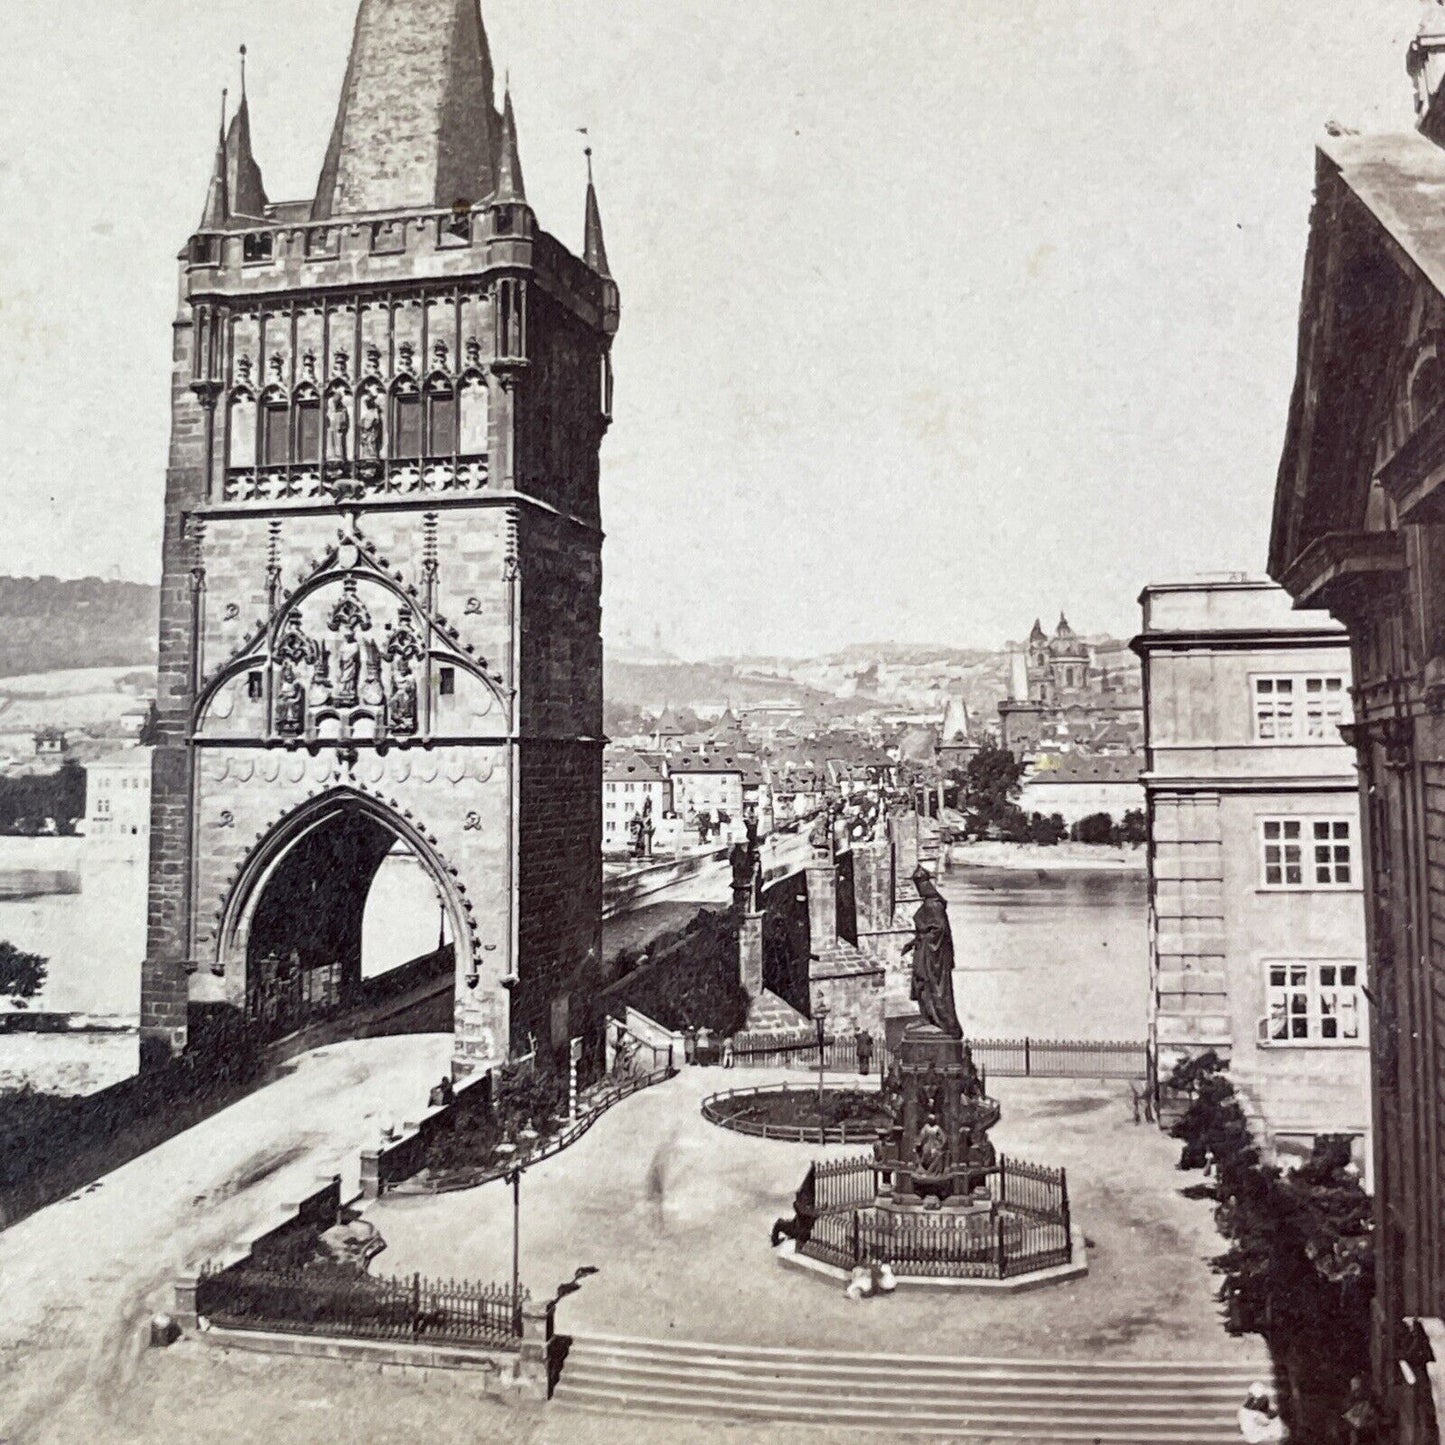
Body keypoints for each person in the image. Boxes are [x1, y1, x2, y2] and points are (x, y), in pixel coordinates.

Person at [901, 865, 963, 1038]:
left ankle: (940, 1020)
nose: (918, 890)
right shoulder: (930, 904)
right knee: (921, 984)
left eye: (918, 886)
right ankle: (927, 1016)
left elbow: (939, 930)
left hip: (933, 956)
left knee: (930, 985)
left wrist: (922, 941)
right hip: (926, 951)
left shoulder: (934, 905)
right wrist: (913, 942)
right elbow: (928, 931)